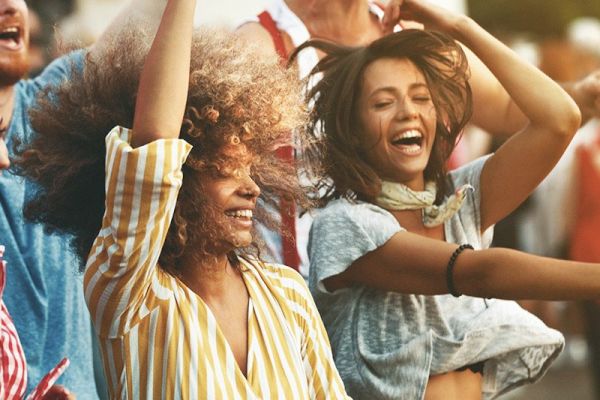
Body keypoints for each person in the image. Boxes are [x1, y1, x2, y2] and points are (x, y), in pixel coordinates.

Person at [14, 0, 350, 398]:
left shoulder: (288, 292)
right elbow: (153, 149)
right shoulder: (132, 296)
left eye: (251, 169)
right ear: (177, 180)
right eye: (224, 169)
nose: (251, 188)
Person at [298, 1, 600, 398]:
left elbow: (559, 119)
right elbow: (478, 272)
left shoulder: (463, 197)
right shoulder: (343, 223)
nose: (407, 112)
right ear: (353, 131)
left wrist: (460, 28)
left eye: (420, 97)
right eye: (383, 102)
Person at [236, 0, 600, 275]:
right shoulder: (260, 45)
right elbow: (218, 173)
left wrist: (583, 95)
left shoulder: (407, 31)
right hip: (308, 293)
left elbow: (507, 106)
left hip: (425, 269)